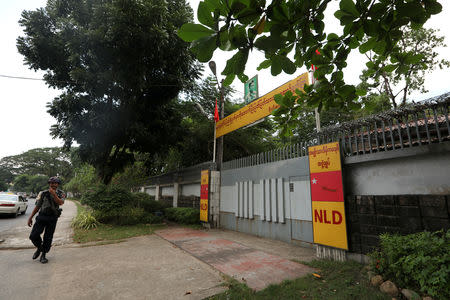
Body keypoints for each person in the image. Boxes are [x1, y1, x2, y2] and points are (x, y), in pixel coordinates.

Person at [27, 176, 65, 264]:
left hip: (52, 218)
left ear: (58, 184)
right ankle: (39, 248)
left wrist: (54, 194)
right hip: (42, 216)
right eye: (52, 183)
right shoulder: (43, 193)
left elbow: (61, 202)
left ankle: (43, 255)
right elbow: (38, 206)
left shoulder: (61, 193)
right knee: (33, 236)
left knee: (48, 237)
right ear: (49, 184)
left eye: (55, 183)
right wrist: (30, 217)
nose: (53, 185)